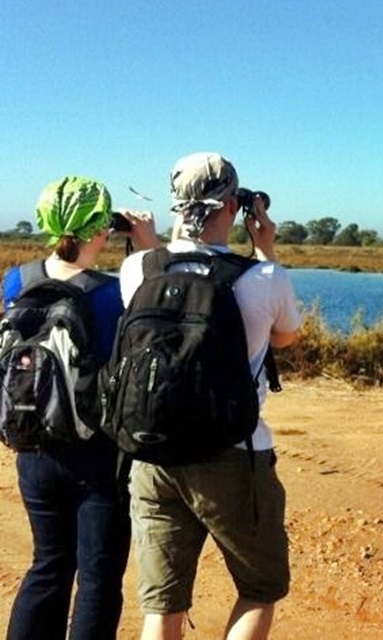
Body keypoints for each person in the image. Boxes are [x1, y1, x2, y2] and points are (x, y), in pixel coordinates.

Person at [117, 152, 302, 640]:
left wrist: (151, 243)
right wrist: (266, 251)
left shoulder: (137, 269)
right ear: (234, 207)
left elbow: (169, 278)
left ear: (176, 205)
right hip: (235, 454)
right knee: (260, 588)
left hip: (153, 451)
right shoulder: (263, 279)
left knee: (162, 605)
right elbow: (285, 337)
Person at [4, 176, 157, 640]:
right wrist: (146, 250)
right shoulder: (111, 294)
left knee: (47, 565)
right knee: (98, 578)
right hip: (97, 455)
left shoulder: (16, 280)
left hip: (32, 446)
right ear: (99, 230)